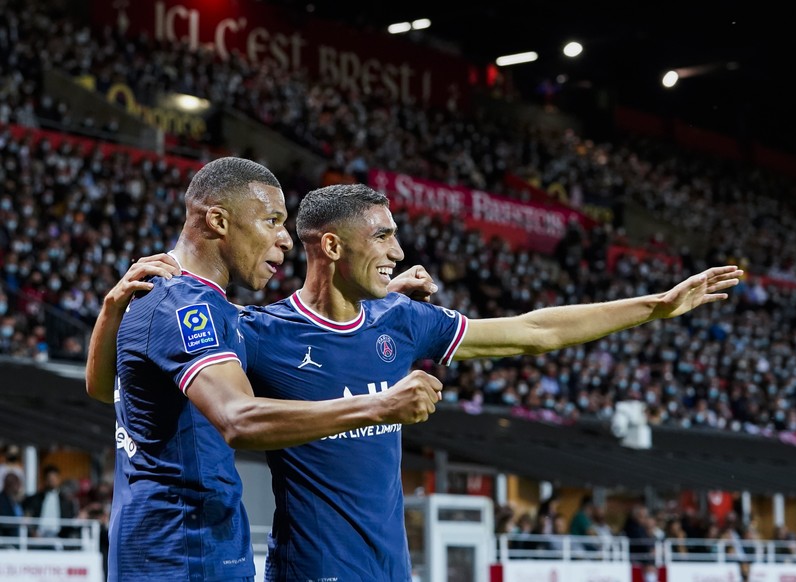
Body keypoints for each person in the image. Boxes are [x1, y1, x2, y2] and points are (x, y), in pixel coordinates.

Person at [95, 183, 741, 581]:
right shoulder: (258, 332)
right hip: (309, 568)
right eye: (382, 236)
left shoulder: (403, 323)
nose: (399, 252)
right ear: (330, 247)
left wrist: (654, 305)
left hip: (392, 567)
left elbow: (534, 330)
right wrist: (118, 310)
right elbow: (149, 378)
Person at [84, 158, 443, 581]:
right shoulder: (183, 305)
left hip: (209, 546)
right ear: (218, 220)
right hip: (176, 556)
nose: (285, 240)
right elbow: (239, 419)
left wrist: (368, 294)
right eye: (272, 221)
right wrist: (380, 406)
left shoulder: (203, 305)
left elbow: (102, 387)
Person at [0, 472, 24, 545]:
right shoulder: (2, 500)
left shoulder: (16, 500)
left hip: (20, 538)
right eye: (17, 484)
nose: (19, 487)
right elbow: (6, 521)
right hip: (8, 540)